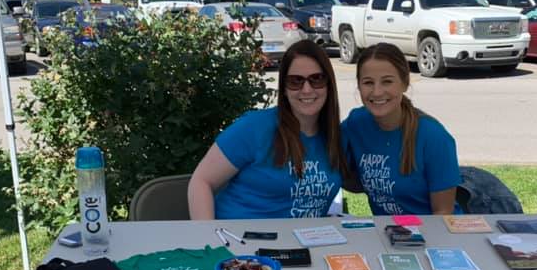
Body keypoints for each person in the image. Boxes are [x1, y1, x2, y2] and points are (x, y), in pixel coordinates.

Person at [187, 40, 346, 219]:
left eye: (317, 79)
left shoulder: (336, 137)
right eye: (295, 81)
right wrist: (209, 239)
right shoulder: (254, 127)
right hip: (238, 240)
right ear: (284, 89)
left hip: (304, 242)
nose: (306, 89)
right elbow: (201, 181)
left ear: (329, 84)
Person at [342, 42, 460, 215]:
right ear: (358, 86)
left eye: (387, 82)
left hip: (433, 235)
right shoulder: (355, 123)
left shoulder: (433, 136)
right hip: (388, 235)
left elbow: (443, 214)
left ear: (404, 83)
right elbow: (329, 161)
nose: (377, 92)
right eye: (368, 82)